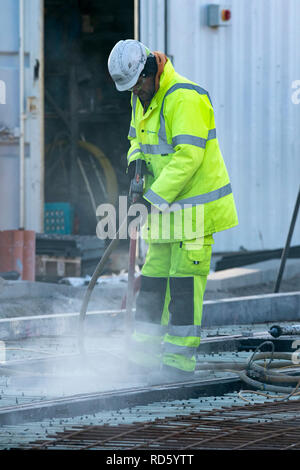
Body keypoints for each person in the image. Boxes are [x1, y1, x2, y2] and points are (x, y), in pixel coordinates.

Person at [107, 39, 238, 381]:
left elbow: (188, 157)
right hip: (164, 213)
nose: (136, 93)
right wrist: (136, 165)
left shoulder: (184, 97)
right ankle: (144, 359)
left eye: (138, 85)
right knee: (151, 284)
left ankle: (179, 366)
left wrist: (152, 198)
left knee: (183, 287)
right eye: (131, 89)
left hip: (194, 214)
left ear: (151, 71)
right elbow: (136, 139)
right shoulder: (142, 98)